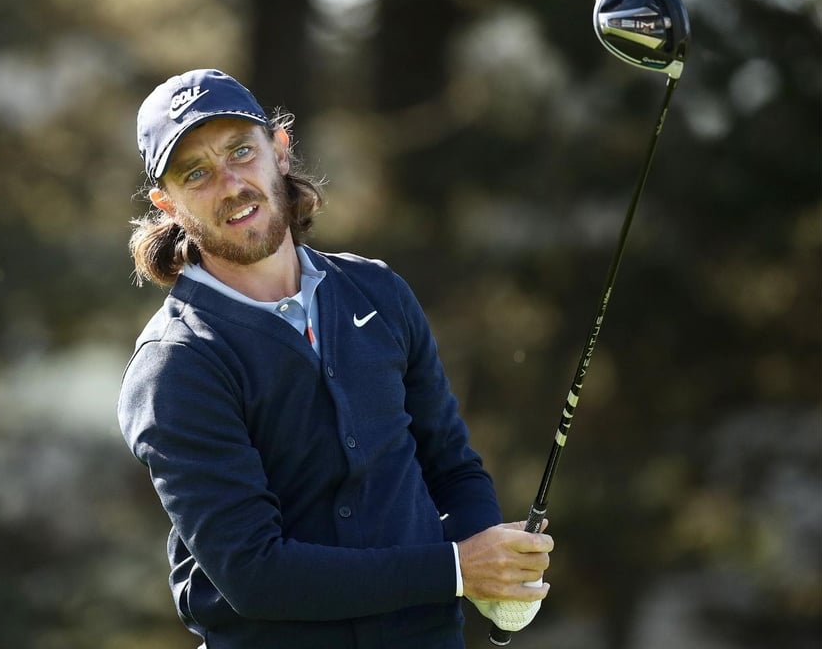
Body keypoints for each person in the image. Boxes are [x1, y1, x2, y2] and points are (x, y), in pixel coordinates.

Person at [116, 68, 553, 649]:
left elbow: (451, 468)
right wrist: (456, 570)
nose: (229, 184)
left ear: (279, 149)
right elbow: (256, 575)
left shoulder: (378, 290)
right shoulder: (177, 365)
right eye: (197, 173)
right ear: (166, 204)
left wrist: (493, 567)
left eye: (241, 152)